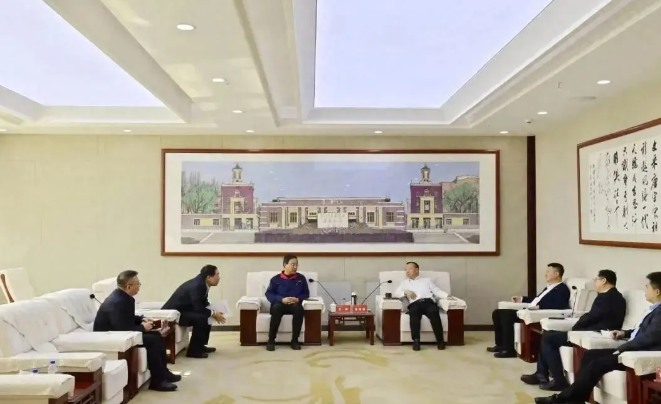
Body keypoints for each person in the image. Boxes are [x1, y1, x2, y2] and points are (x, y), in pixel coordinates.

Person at [534, 271, 661, 404]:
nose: (645, 290)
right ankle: (575, 399)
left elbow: (649, 338)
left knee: (596, 363)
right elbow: (641, 331)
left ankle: (562, 398)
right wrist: (624, 333)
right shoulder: (653, 309)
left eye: (647, 287)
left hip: (636, 353)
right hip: (630, 347)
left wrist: (623, 348)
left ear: (657, 291)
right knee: (589, 355)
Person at [521, 269, 626, 391]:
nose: (594, 282)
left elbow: (592, 317)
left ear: (604, 280)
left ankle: (559, 380)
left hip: (595, 332)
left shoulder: (611, 297)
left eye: (596, 279)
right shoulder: (606, 295)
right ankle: (541, 374)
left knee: (549, 339)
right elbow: (592, 316)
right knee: (548, 335)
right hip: (589, 330)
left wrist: (576, 327)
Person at [94, 270, 180, 392]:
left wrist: (141, 319)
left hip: (118, 331)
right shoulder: (118, 301)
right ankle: (157, 382)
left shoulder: (122, 297)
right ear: (129, 287)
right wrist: (143, 327)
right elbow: (122, 329)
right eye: (138, 284)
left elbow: (126, 317)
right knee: (153, 340)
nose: (139, 286)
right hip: (110, 337)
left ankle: (163, 373)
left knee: (157, 335)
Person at [488, 263, 571, 358]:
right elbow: (537, 299)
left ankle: (509, 350)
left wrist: (538, 307)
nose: (545, 274)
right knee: (497, 313)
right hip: (529, 310)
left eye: (548, 272)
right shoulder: (549, 287)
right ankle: (500, 345)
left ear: (556, 274)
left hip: (536, 313)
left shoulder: (562, 289)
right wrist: (522, 299)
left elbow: (559, 305)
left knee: (507, 315)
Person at [162, 264, 223, 358]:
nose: (219, 277)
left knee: (206, 315)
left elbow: (202, 302)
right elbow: (198, 307)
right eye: (217, 275)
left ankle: (200, 346)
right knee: (202, 318)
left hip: (183, 311)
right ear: (209, 277)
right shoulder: (198, 285)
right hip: (173, 314)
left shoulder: (202, 283)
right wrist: (213, 313)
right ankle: (194, 351)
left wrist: (215, 311)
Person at [393, 261, 454, 351]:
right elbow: (396, 294)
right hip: (415, 303)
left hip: (428, 302)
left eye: (409, 269)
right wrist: (405, 292)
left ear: (416, 270)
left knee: (434, 313)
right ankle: (416, 341)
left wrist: (447, 296)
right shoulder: (404, 283)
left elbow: (437, 291)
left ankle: (440, 341)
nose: (407, 271)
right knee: (414, 315)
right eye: (406, 270)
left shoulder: (427, 280)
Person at [265, 254, 309, 351]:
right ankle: (271, 340)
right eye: (293, 264)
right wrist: (281, 299)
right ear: (285, 265)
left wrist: (298, 299)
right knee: (276, 308)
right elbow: (269, 294)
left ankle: (295, 341)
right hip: (279, 304)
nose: (295, 267)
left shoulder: (301, 278)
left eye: (296, 264)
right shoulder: (275, 279)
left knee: (299, 309)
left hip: (294, 304)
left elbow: (306, 293)